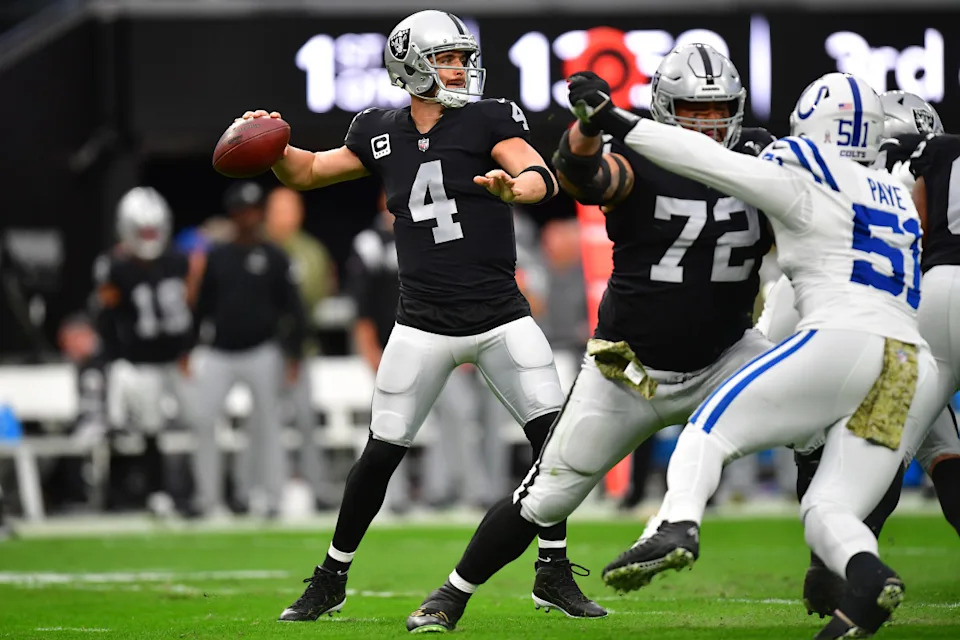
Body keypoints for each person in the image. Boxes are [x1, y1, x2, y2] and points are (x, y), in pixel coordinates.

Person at [233, 10, 601, 622]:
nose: (460, 67)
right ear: (410, 65)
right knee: (380, 455)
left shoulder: (490, 116)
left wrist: (522, 186)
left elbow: (535, 171)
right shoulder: (380, 130)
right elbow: (306, 170)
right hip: (422, 323)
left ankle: (554, 570)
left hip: (499, 316)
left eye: (462, 56)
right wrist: (269, 141)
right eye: (448, 58)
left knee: (553, 445)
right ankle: (330, 578)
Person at [406, 44, 778, 633]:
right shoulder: (638, 151)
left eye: (717, 109)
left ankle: (841, 569)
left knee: (832, 420)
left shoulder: (764, 155)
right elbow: (584, 178)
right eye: (691, 109)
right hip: (627, 369)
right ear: (663, 106)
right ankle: (450, 595)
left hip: (729, 356)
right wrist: (584, 127)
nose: (707, 123)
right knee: (544, 496)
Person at [576, 71, 941, 638]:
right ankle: (866, 577)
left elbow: (707, 161)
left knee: (707, 433)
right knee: (831, 509)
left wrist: (618, 122)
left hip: (843, 338)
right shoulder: (891, 191)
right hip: (908, 363)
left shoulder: (806, 168)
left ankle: (675, 525)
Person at [759, 92, 960, 618]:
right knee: (918, 444)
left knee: (846, 441)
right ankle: (837, 565)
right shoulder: (920, 167)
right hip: (900, 317)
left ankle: (834, 567)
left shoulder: (833, 169)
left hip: (837, 308)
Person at [188, 181, 306, 518]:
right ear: (234, 215)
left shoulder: (274, 256)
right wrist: (189, 347)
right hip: (219, 351)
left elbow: (293, 308)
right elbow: (202, 306)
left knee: (268, 424)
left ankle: (272, 498)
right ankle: (207, 499)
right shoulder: (217, 255)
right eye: (244, 211)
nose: (250, 218)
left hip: (263, 350)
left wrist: (294, 352)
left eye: (255, 211)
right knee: (204, 419)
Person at [92, 187, 193, 515]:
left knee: (200, 421)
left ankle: (200, 491)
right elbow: (106, 318)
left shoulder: (178, 260)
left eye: (153, 230)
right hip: (140, 360)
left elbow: (193, 304)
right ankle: (154, 492)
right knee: (148, 427)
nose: (149, 238)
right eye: (143, 231)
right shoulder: (114, 266)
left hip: (179, 358)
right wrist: (116, 359)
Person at [264, 186, 338, 508]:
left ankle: (317, 489)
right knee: (266, 423)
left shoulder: (311, 251)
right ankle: (269, 492)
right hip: (264, 347)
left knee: (307, 421)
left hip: (301, 348)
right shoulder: (259, 247)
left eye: (289, 209)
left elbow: (320, 293)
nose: (283, 216)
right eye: (278, 209)